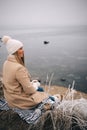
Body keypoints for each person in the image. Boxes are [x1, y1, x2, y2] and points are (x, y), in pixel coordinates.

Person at [2, 35, 49, 109]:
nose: (23, 51)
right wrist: (35, 85)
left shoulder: (6, 63)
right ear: (15, 51)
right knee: (44, 93)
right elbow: (29, 90)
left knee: (39, 90)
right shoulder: (19, 68)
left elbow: (15, 84)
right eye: (20, 49)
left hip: (10, 98)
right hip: (19, 101)